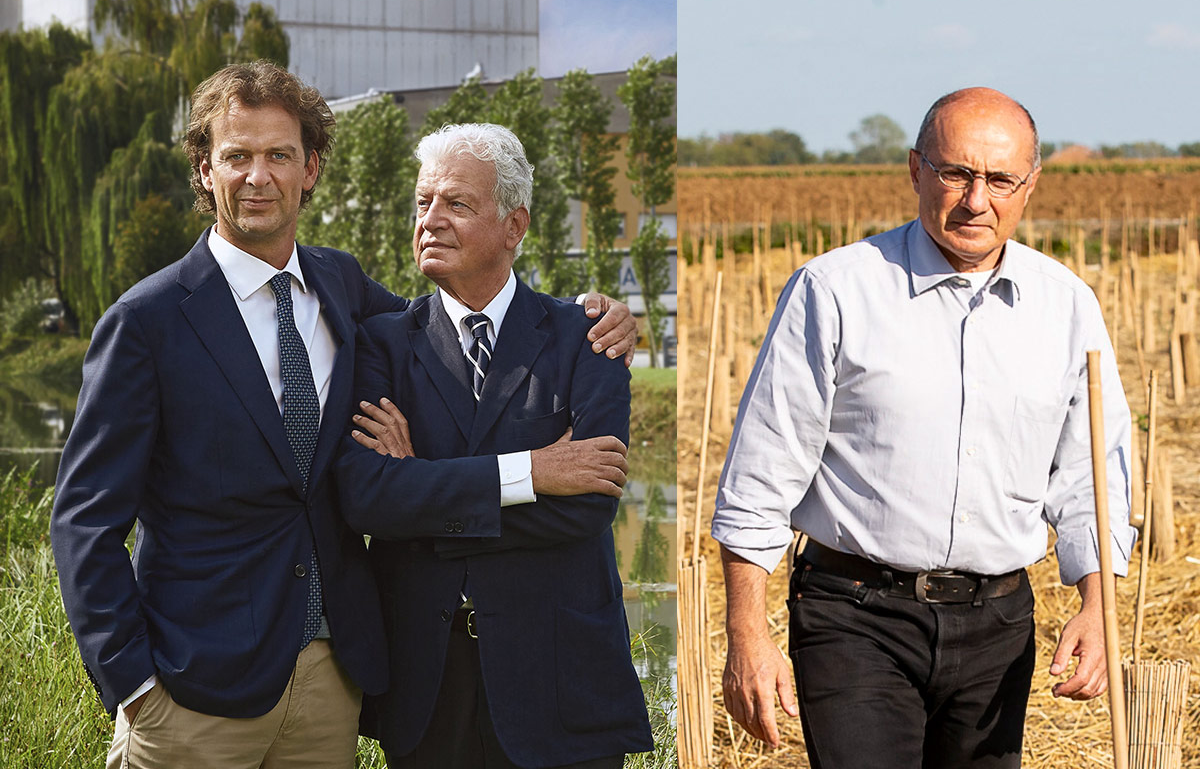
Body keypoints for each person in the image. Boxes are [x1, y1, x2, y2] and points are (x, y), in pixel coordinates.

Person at [49, 61, 637, 769]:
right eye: (236, 156)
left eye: (278, 155)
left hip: (332, 685)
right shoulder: (144, 322)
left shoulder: (344, 288)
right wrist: (133, 685)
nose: (257, 176)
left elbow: (464, 321)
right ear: (205, 171)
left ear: (312, 169)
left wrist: (595, 311)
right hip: (193, 692)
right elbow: (84, 521)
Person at [711, 87, 1136, 768]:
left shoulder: (1067, 308)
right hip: (854, 616)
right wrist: (747, 635)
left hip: (999, 623)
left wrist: (1097, 603)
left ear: (1030, 186)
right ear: (916, 170)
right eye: (956, 173)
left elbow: (1091, 474)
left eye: (1000, 180)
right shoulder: (834, 291)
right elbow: (762, 473)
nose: (977, 200)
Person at [335, 122, 654, 769]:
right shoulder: (381, 343)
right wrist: (531, 473)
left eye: (456, 203)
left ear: (515, 226)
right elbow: (367, 498)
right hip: (428, 687)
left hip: (560, 683)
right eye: (422, 203)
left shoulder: (588, 337)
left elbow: (588, 505)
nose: (431, 220)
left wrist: (423, 489)